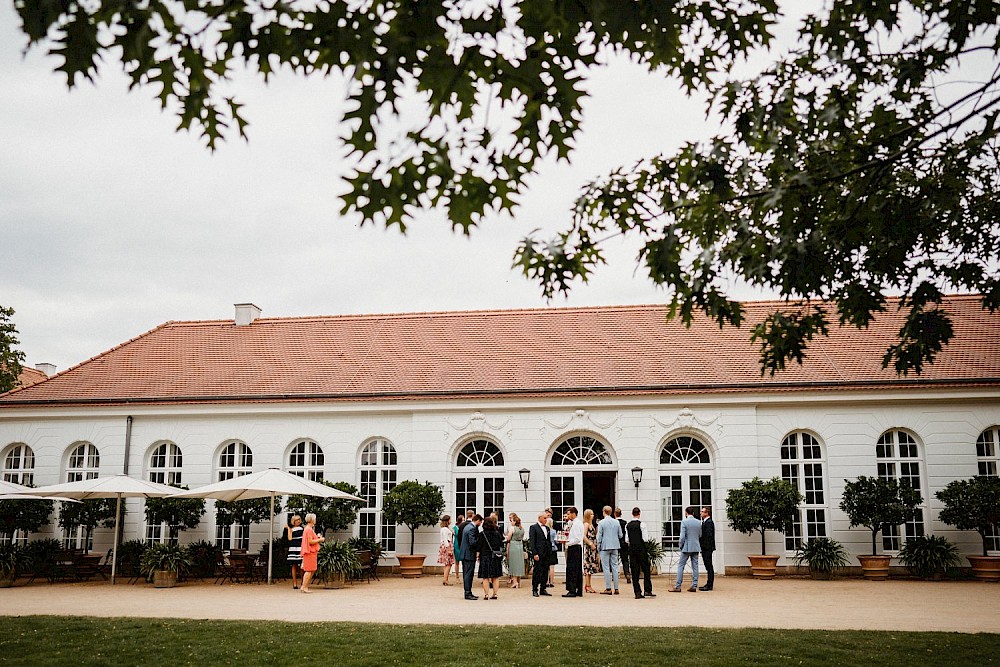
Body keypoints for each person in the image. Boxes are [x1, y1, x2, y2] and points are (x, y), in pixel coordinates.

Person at [625, 507, 655, 599]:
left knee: (634, 570)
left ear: (632, 513)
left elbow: (627, 539)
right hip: (641, 549)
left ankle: (637, 592)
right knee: (646, 569)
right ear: (639, 514)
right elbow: (645, 538)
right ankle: (647, 590)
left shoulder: (628, 525)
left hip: (632, 549)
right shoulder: (642, 524)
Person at [670, 506, 702, 592]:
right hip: (695, 546)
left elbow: (682, 537)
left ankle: (678, 586)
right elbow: (700, 535)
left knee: (681, 566)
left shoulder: (684, 522)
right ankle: (694, 585)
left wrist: (681, 545)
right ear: (693, 513)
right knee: (695, 566)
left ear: (686, 513)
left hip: (687, 546)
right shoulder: (699, 522)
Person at [596, 505, 623, 594]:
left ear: (604, 512)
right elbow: (620, 535)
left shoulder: (602, 523)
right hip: (615, 546)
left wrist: (598, 546)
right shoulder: (616, 522)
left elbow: (599, 536)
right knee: (615, 567)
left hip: (605, 546)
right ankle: (616, 588)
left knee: (606, 567)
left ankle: (608, 588)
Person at [479, 515, 504, 599]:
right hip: (495, 556)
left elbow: (478, 546)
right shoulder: (497, 534)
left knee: (485, 576)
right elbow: (501, 543)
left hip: (485, 556)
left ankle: (486, 594)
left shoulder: (482, 534)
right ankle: (495, 593)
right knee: (495, 576)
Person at [299, 513, 325, 593]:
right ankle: (304, 587)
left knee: (312, 569)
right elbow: (310, 541)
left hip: (310, 551)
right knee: (309, 570)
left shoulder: (308, 529)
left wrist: (317, 538)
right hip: (310, 551)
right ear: (312, 520)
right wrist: (319, 540)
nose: (315, 520)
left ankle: (304, 586)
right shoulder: (309, 529)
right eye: (314, 519)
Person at [528, 512, 551, 597]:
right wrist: (535, 553)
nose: (546, 520)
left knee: (545, 571)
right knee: (537, 571)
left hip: (546, 553)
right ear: (539, 518)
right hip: (538, 553)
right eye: (544, 518)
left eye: (546, 518)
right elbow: (532, 542)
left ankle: (543, 588)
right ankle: (534, 589)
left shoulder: (547, 528)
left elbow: (548, 541)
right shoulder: (533, 527)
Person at [562, 506, 583, 597]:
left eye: (569, 514)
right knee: (575, 569)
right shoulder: (572, 523)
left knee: (573, 569)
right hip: (573, 547)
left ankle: (572, 590)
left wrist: (567, 542)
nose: (568, 515)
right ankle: (577, 589)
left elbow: (577, 538)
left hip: (574, 547)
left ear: (574, 514)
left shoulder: (577, 523)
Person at [460, 514, 482, 600]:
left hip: (465, 553)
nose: (480, 524)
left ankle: (468, 591)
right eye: (480, 522)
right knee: (469, 574)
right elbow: (472, 542)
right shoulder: (472, 529)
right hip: (469, 554)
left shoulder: (467, 527)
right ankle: (468, 592)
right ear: (477, 520)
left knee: (466, 573)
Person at [504, 513, 525, 588]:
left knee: (513, 563)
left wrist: (505, 537)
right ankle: (518, 582)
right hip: (520, 545)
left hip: (513, 545)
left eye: (512, 521)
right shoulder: (522, 529)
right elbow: (522, 537)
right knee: (519, 564)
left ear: (515, 521)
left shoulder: (512, 528)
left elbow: (509, 538)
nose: (511, 522)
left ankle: (515, 582)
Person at [582, 508, 600, 593]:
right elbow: (584, 536)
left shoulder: (591, 524)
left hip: (593, 547)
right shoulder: (586, 524)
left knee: (591, 567)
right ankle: (587, 585)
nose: (593, 516)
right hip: (589, 547)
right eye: (591, 514)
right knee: (587, 566)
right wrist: (590, 543)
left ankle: (589, 584)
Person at [699, 506, 716, 591]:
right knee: (708, 566)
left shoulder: (709, 522)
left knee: (709, 566)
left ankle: (709, 585)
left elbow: (708, 536)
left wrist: (703, 546)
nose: (701, 513)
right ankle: (709, 583)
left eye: (702, 511)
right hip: (706, 547)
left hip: (707, 548)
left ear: (707, 513)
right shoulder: (706, 522)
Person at [285, 514, 303, 590]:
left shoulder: (303, 529)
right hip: (293, 548)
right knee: (294, 565)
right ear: (293, 521)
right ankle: (294, 583)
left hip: (301, 548)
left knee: (302, 566)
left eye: (299, 519)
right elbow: (289, 538)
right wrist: (289, 529)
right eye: (296, 520)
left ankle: (303, 582)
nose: (298, 521)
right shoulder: (291, 529)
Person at [615, 507, 630, 584]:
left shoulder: (614, 522)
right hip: (624, 543)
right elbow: (626, 533)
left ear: (615, 514)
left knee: (614, 560)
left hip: (615, 543)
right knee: (625, 560)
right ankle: (627, 574)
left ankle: (614, 575)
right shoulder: (625, 522)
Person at [438, 515, 455, 586]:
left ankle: (445, 579)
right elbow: (445, 540)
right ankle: (445, 579)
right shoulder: (445, 529)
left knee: (447, 563)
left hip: (446, 545)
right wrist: (449, 549)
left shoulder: (445, 529)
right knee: (448, 563)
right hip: (447, 545)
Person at [546, 516, 558, 588]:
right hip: (553, 548)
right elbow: (556, 540)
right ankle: (551, 581)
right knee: (552, 566)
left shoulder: (545, 531)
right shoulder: (553, 531)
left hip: (547, 549)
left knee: (546, 566)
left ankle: (546, 581)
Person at [453, 515, 465, 580]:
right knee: (457, 561)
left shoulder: (464, 527)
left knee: (464, 561)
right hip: (457, 544)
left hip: (462, 544)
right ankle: (457, 576)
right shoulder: (455, 527)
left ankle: (464, 576)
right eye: (463, 520)